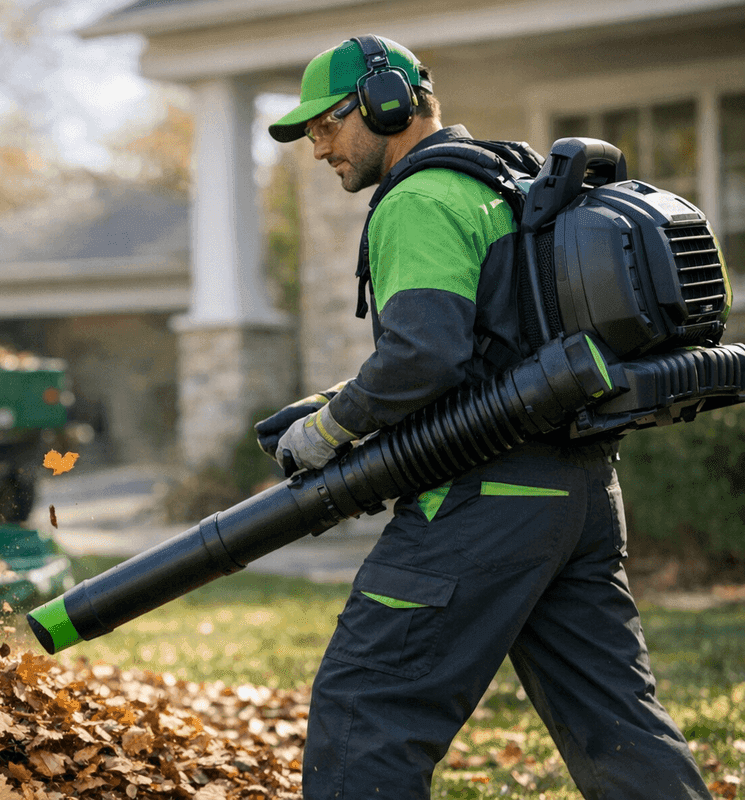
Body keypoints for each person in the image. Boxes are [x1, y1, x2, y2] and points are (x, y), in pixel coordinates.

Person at [258, 35, 712, 800]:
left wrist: (328, 429)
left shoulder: (419, 199)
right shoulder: (506, 182)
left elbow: (421, 359)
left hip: (484, 498)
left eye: (327, 126)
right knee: (617, 724)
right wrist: (347, 396)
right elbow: (487, 341)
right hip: (579, 497)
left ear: (385, 102)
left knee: (366, 709)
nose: (319, 149)